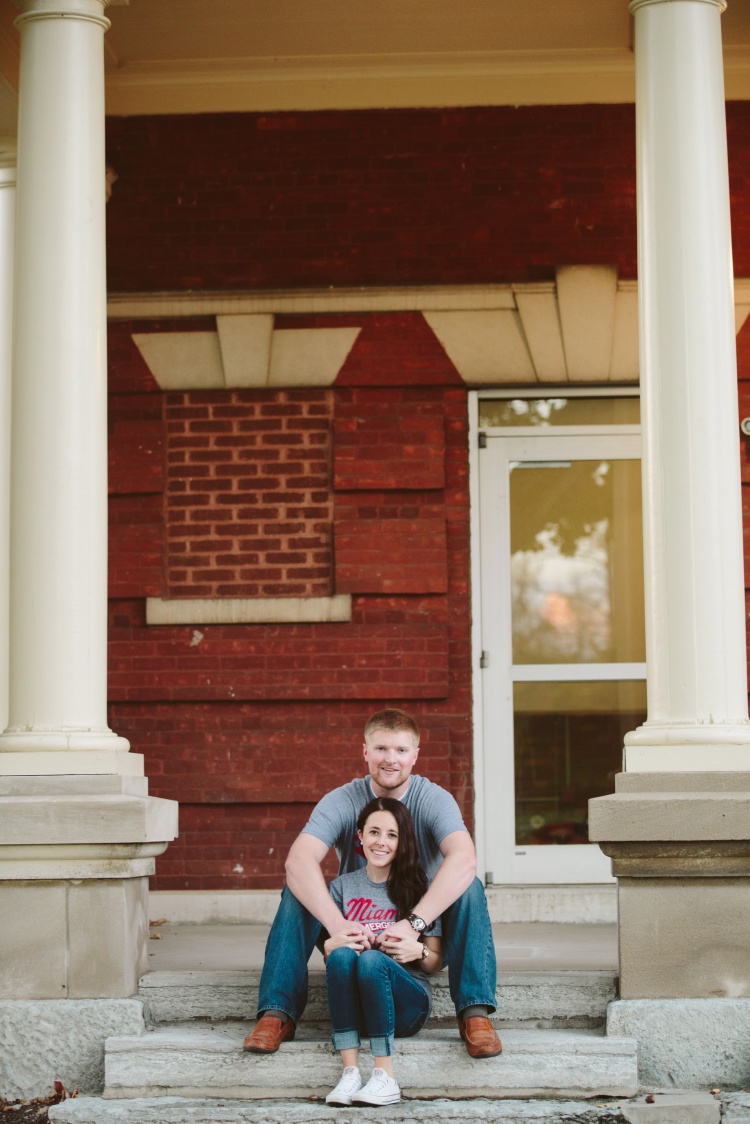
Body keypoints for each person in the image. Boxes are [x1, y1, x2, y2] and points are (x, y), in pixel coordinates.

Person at [243, 707, 501, 1060]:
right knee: (296, 890)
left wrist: (415, 925)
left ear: (415, 756)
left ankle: (475, 1013)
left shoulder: (433, 799)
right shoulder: (342, 800)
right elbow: (298, 860)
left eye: (400, 750)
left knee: (469, 885)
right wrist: (338, 925)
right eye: (380, 749)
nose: (390, 760)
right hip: (354, 928)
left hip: (421, 929)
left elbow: (464, 858)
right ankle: (276, 1013)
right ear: (365, 751)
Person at [323, 796, 442, 1107]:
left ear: (402, 842)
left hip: (407, 1006)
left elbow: (436, 961)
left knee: (373, 960)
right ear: (360, 836)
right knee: (342, 955)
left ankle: (384, 1076)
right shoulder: (341, 888)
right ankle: (350, 1073)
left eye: (392, 835)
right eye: (374, 832)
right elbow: (334, 959)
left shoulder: (421, 889)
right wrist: (329, 945)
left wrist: (418, 951)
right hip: (358, 1007)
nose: (382, 842)